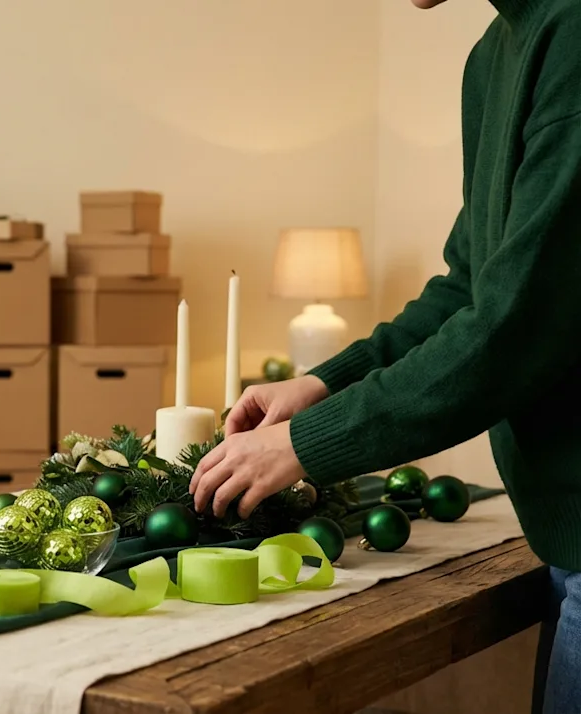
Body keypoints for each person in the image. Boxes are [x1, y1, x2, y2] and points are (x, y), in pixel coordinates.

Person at [187, 0, 581, 711]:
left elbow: (513, 329)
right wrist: (323, 384)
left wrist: (306, 445)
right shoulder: (494, 53)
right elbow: (470, 285)